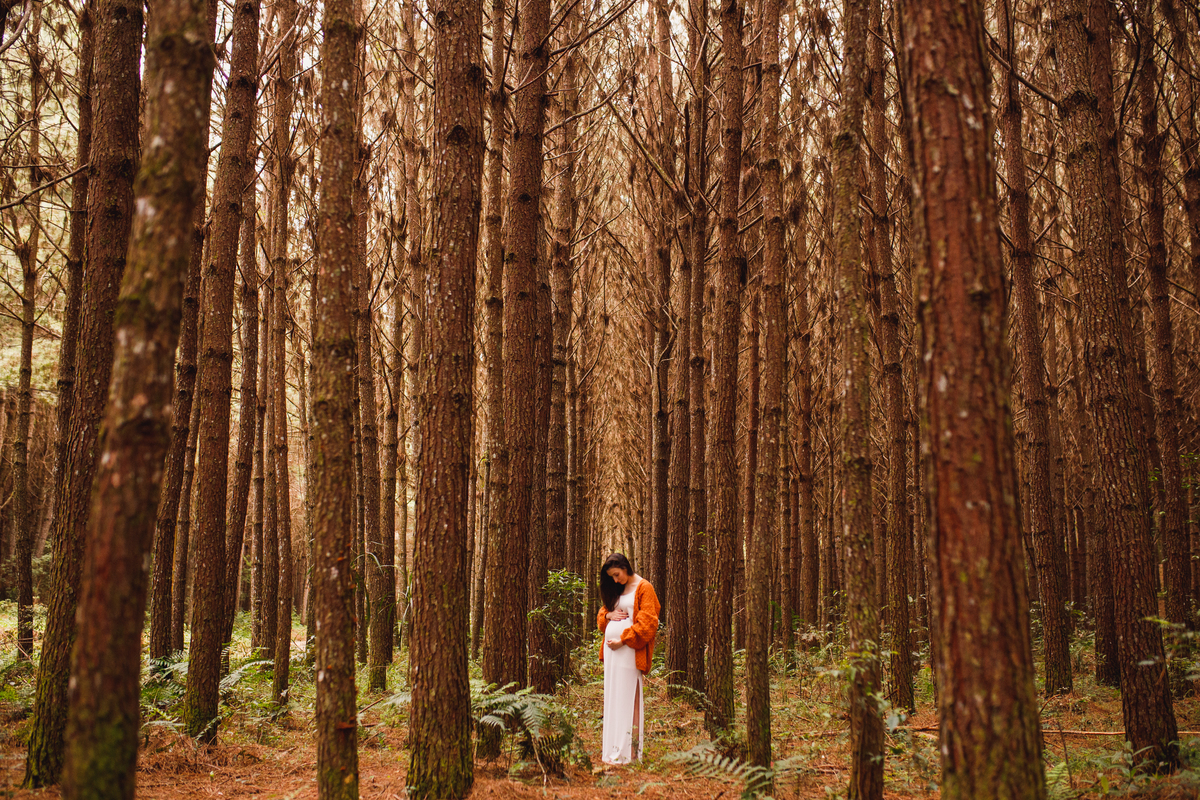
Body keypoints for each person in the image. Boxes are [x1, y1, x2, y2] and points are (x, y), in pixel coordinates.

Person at [596, 553, 660, 766]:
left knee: (629, 699)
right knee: (613, 699)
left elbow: (648, 625)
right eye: (612, 577)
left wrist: (623, 640)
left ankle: (629, 754)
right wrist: (607, 616)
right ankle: (613, 749)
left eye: (617, 574)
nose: (615, 580)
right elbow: (601, 616)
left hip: (630, 652)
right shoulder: (617, 589)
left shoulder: (644, 587)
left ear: (625, 567)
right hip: (613, 654)